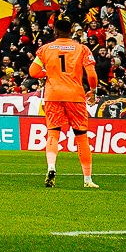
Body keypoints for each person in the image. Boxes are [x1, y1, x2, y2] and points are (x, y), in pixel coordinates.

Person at [30, 22, 101, 188]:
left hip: (53, 95)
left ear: (55, 31)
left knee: (53, 133)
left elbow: (33, 72)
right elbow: (91, 74)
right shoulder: (82, 49)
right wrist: (93, 90)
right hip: (75, 96)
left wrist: (48, 73)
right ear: (71, 31)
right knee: (81, 136)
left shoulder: (45, 49)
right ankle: (87, 179)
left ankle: (51, 166)